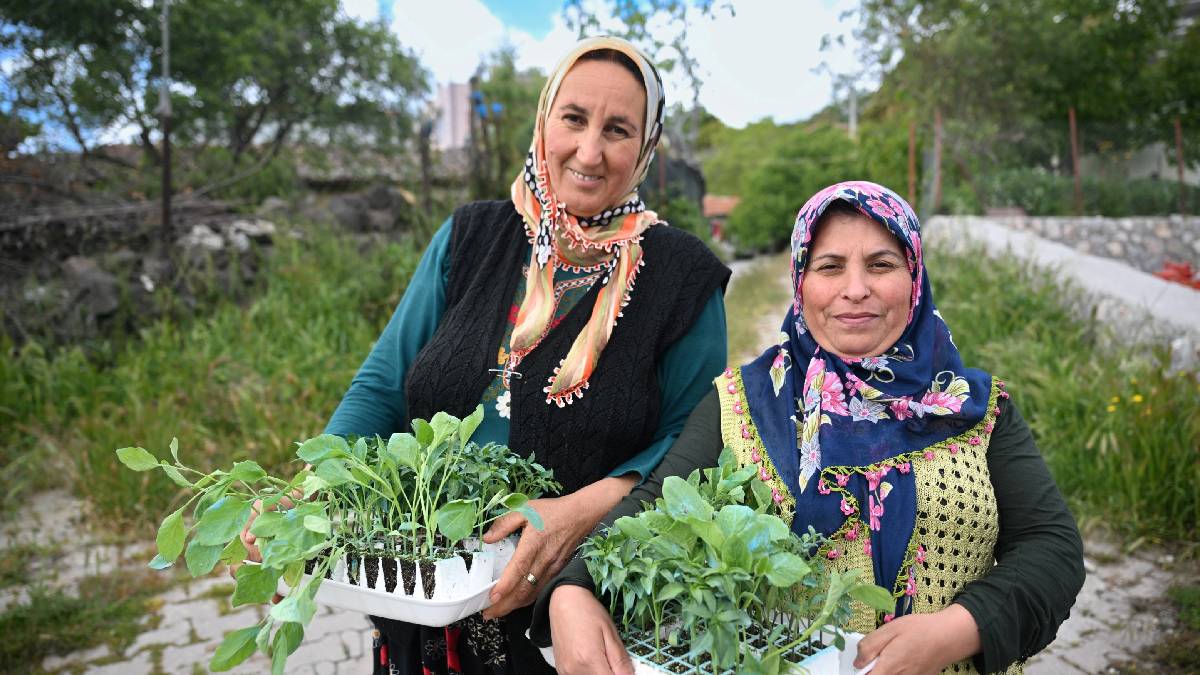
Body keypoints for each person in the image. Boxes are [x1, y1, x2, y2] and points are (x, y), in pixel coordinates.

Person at [239, 37, 730, 674]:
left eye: (618, 129)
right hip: (421, 599)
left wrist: (581, 513)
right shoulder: (472, 236)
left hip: (570, 618)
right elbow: (384, 384)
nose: (589, 151)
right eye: (573, 119)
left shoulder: (682, 277)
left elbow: (696, 443)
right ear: (543, 120)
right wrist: (311, 488)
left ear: (646, 147)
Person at [530, 181, 1085, 675]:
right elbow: (652, 508)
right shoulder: (744, 402)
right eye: (830, 266)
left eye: (882, 264)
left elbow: (1051, 547)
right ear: (801, 281)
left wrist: (958, 629)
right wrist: (573, 591)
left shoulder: (975, 409)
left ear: (914, 278)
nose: (856, 288)